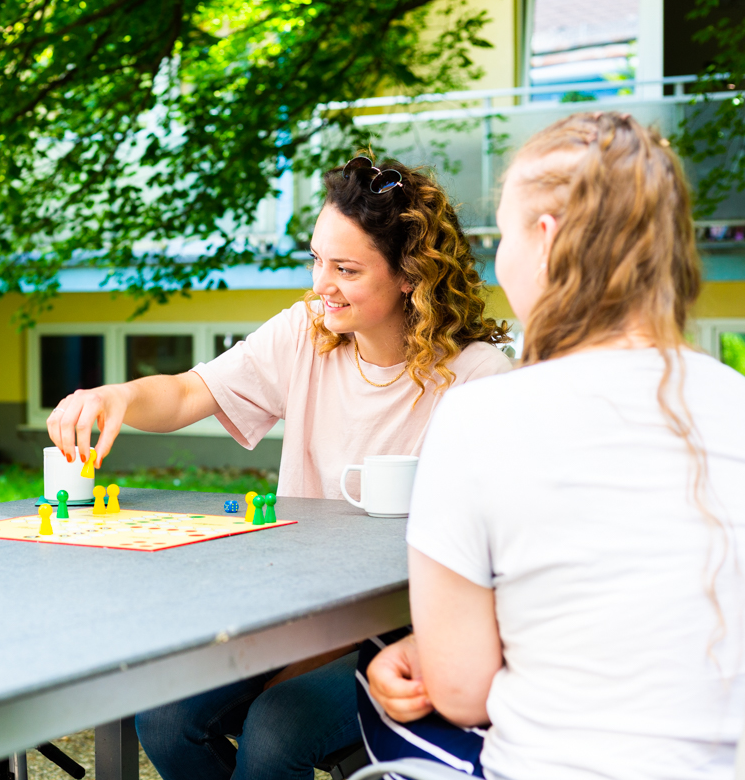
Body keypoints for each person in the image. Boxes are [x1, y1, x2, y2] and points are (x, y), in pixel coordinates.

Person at [47, 157, 513, 780]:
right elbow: (190, 394)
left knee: (275, 731)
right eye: (317, 259)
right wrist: (120, 398)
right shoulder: (306, 332)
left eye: (346, 269)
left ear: (410, 275)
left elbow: (496, 555)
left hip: (402, 632)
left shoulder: (480, 379)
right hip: (293, 613)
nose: (322, 284)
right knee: (161, 718)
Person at [364, 111, 745, 778]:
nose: (496, 258)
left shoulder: (480, 416)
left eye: (502, 234)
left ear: (546, 239)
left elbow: (460, 693)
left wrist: (428, 650)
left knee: (371, 691)